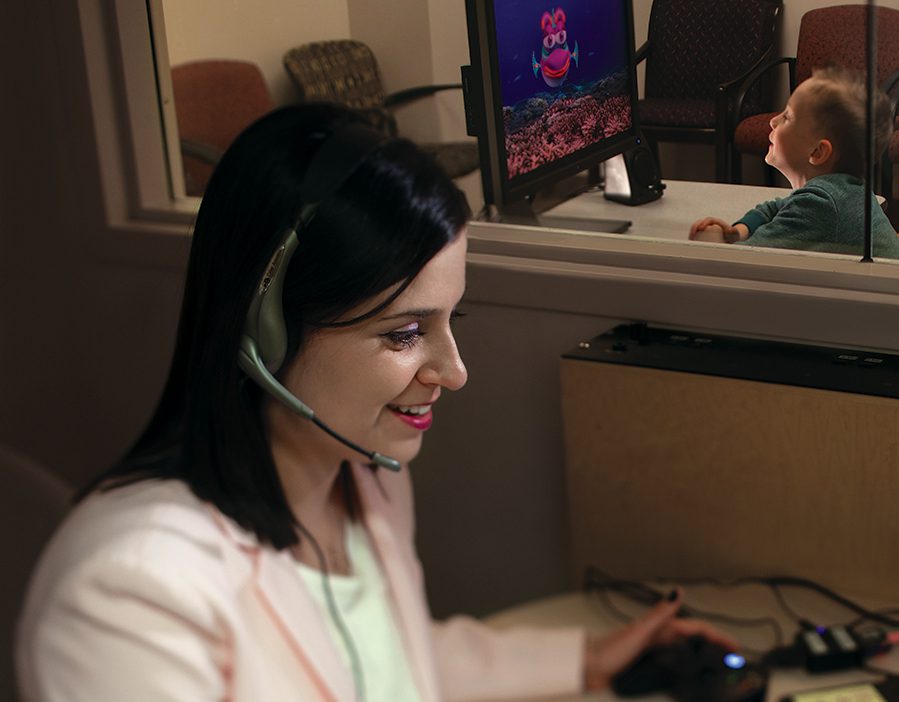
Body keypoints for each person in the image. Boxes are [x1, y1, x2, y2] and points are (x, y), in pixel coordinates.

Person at [15, 104, 733, 701]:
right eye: (405, 333)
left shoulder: (363, 483)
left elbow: (382, 660)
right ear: (265, 326)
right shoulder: (131, 594)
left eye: (453, 320)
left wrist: (588, 658)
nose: (453, 373)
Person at [689, 66, 899, 260]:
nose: (773, 121)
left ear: (818, 152)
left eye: (787, 117)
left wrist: (711, 243)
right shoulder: (840, 193)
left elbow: (743, 263)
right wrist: (738, 231)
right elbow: (775, 207)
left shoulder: (821, 206)